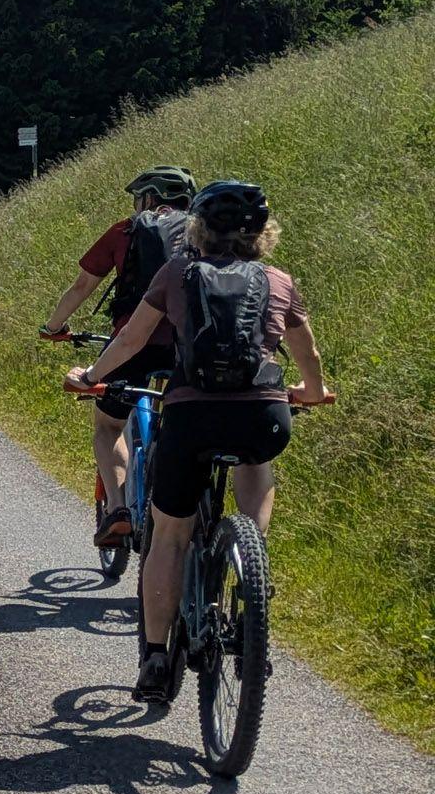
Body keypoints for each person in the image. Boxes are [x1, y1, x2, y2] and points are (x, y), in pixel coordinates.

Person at [66, 181, 333, 701]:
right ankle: (250, 564)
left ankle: (156, 658)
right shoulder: (279, 281)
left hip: (192, 415)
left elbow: (132, 339)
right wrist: (313, 393)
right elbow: (309, 356)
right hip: (264, 414)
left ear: (197, 229)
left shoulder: (176, 273)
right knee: (255, 459)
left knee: (169, 536)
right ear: (263, 234)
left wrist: (91, 375)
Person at [39, 166, 197, 550]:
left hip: (133, 344)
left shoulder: (126, 231)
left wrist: (54, 326)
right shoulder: (205, 233)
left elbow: (82, 285)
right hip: (189, 346)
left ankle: (117, 509)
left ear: (150, 198)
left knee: (108, 426)